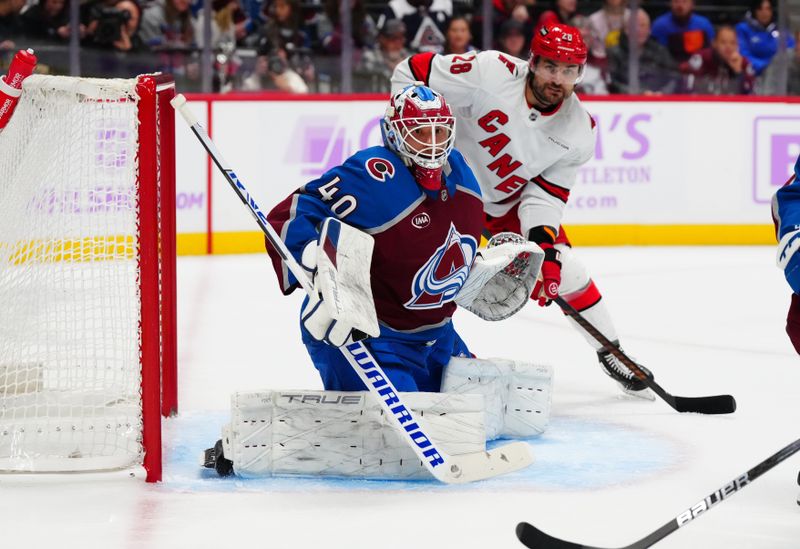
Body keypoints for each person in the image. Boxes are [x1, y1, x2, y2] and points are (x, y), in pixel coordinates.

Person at [392, 24, 654, 398]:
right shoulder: (489, 72)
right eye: (550, 67)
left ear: (580, 73)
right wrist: (410, 142)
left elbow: (544, 197)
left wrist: (544, 253)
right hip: (442, 184)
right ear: (532, 62)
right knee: (425, 270)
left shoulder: (580, 130)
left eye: (569, 71)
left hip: (502, 205)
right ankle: (412, 349)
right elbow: (413, 71)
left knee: (566, 267)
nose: (558, 79)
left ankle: (612, 352)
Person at [264, 84, 524, 394]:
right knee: (398, 434)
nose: (432, 144)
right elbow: (288, 215)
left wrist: (474, 271)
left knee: (486, 411)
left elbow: (441, 245)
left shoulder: (463, 173)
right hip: (372, 339)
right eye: (420, 133)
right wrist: (314, 263)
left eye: (440, 131)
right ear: (394, 134)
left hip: (439, 339)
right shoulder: (373, 174)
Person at [607, 9, 678, 94]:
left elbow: (674, 76)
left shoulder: (660, 50)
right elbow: (612, 82)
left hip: (658, 100)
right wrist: (640, 93)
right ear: (626, 29)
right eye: (634, 26)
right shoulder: (614, 52)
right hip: (625, 102)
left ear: (649, 30)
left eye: (643, 25)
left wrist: (663, 93)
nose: (639, 30)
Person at [680, 25, 756, 95]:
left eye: (732, 43)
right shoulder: (702, 58)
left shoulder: (743, 63)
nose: (728, 46)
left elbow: (751, 93)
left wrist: (739, 73)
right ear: (714, 43)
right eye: (723, 42)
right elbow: (686, 86)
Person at [736, 0, 795, 77]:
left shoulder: (781, 29)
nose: (764, 13)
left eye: (768, 9)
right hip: (752, 74)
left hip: (777, 75)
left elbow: (791, 49)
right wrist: (765, 67)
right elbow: (742, 53)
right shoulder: (743, 29)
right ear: (754, 10)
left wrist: (776, 67)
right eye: (760, 9)